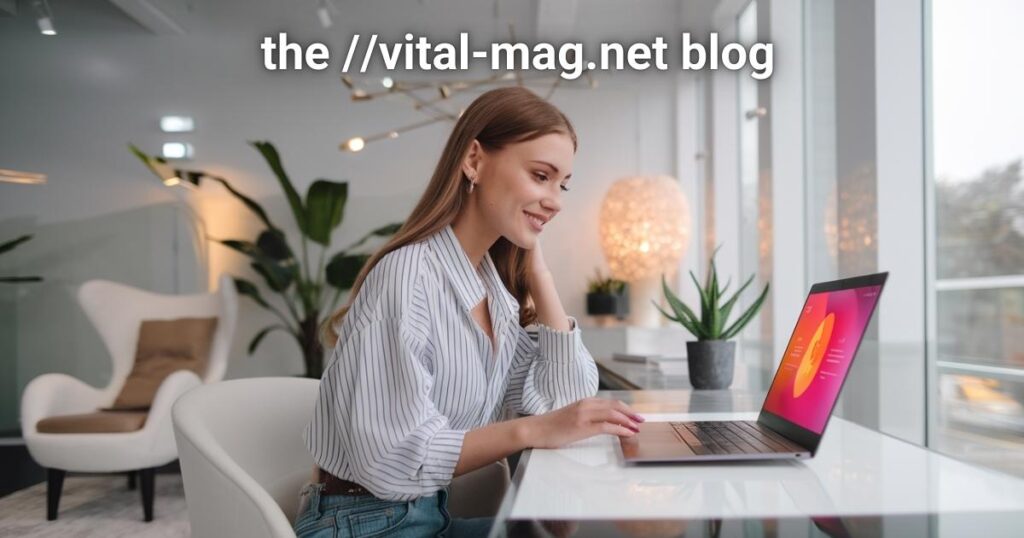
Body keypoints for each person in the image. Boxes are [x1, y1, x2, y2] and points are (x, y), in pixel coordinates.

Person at [294, 86, 645, 538]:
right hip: (362, 525)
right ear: (474, 161)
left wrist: (540, 271)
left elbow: (564, 402)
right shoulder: (409, 276)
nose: (556, 199)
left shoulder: (492, 292)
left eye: (563, 184)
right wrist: (529, 432)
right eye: (541, 176)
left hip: (425, 516)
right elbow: (391, 461)